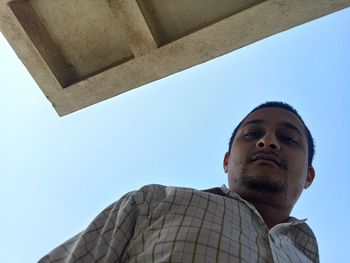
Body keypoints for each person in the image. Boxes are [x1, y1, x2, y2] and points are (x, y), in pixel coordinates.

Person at [39, 101, 319, 263]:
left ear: (309, 175)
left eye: (288, 139)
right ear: (226, 161)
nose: (267, 141)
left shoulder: (306, 256)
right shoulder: (153, 204)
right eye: (252, 134)